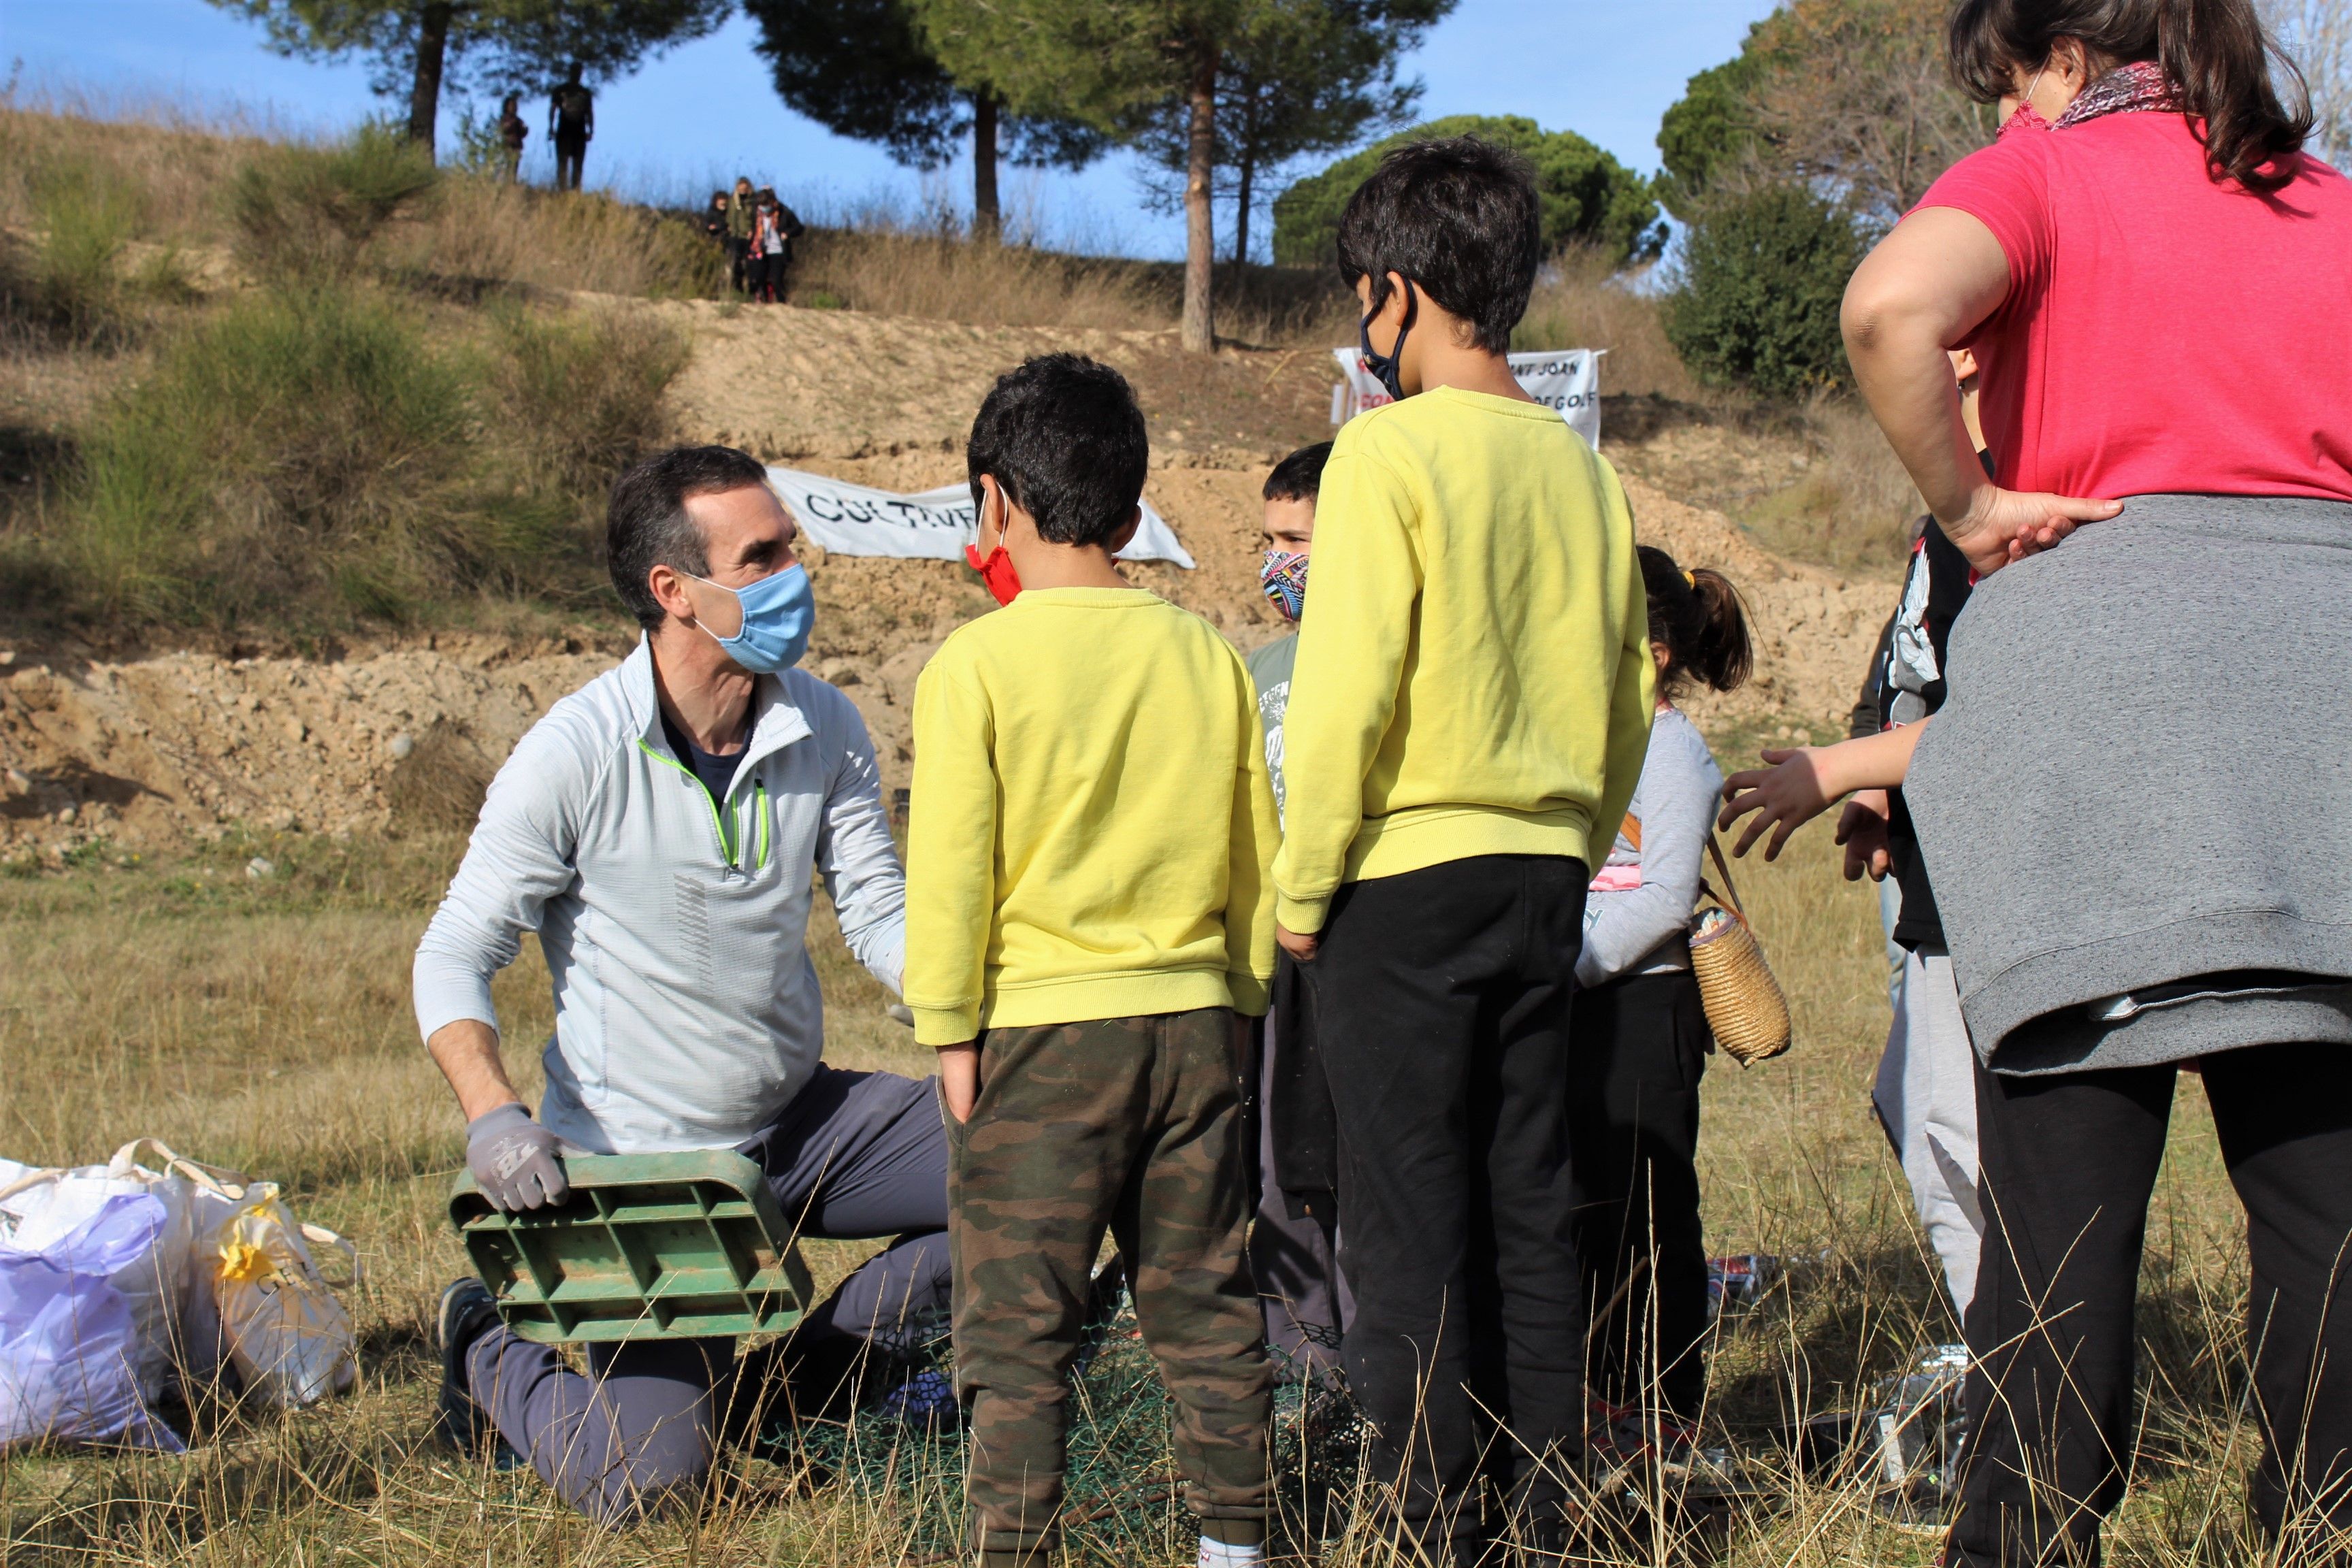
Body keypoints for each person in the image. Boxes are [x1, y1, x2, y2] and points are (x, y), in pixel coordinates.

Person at [1840, 0, 2352, 1560]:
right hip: (2317, 722)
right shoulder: (2322, 200)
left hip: (2090, 711)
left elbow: (1887, 311)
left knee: (2054, 1240)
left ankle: (2027, 1539)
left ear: (2049, 50)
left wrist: (1972, 502)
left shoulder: (2046, 167)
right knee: (2330, 1225)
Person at [418, 445, 954, 1524]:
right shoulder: (574, 753)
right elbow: (453, 955)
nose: (792, 575)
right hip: (643, 1166)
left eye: (789, 548)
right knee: (655, 1493)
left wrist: (966, 1001)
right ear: (674, 591)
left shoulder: (826, 725)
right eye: (760, 558)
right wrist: (495, 1119)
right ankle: (487, 1346)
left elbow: (880, 916)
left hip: (803, 1125)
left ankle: (783, 1381)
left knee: (1031, 1173)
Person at [1271, 136, 1654, 1565]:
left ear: (1399, 290)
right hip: (1543, 874)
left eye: (1364, 299)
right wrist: (1566, 833)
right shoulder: (1580, 471)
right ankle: (1553, 1520)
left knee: (1406, 1216)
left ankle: (1434, 1524)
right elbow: (1626, 696)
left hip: (1400, 887)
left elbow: (1349, 689)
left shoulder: (1385, 450)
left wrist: (1305, 891)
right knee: (1530, 1205)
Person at [905, 354, 1279, 1568]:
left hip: (1041, 1042)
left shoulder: (976, 664)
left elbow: (953, 867)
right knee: (1209, 1304)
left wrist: (950, 1030)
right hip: (1192, 1026)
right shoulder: (1208, 654)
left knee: (1017, 1335)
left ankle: (1014, 1547)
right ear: (1131, 513)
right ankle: (1235, 1543)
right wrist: (1239, 999)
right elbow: (1251, 854)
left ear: (992, 500)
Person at [1721, 350, 1995, 1321]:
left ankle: (2019, 1382)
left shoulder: (2028, 512)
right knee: (1918, 1108)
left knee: (1960, 1135)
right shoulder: (1948, 518)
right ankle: (2005, 1364)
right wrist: (1879, 782)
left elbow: (2013, 713)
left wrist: (1838, 770)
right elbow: (1913, 668)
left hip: (1996, 887)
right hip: (1932, 878)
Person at [1570, 546, 1750, 1482]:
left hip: (1646, 1004)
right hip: (1587, 1002)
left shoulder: (1675, 755)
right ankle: (1602, 1407)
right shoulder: (1589, 742)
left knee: (1651, 1217)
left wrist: (1569, 966)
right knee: (1593, 1216)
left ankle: (1665, 1415)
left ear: (1656, 650)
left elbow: (1664, 899)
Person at [1244, 440, 1352, 1385]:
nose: (1278, 562)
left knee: (1361, 1155)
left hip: (1359, 938)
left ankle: (1375, 1347)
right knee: (1284, 1153)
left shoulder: (1382, 651)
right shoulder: (1257, 669)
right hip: (1277, 947)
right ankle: (1302, 1350)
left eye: (1298, 540)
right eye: (1269, 538)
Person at [549, 63, 593, 192]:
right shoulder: (560, 90)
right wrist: (551, 127)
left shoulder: (585, 93)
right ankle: (562, 190)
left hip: (579, 132)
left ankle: (575, 191)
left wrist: (591, 129)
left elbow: (589, 112)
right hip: (564, 131)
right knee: (563, 163)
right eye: (575, 72)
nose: (577, 75)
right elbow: (553, 109)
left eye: (578, 72)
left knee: (578, 165)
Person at [725, 176, 756, 295]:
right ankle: (736, 288)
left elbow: (755, 218)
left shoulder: (752, 201)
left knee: (748, 264)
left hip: (747, 236)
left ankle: (749, 290)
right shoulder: (731, 200)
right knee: (735, 262)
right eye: (741, 187)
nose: (743, 190)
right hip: (733, 235)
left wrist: (752, 230)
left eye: (745, 187)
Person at [495, 92, 527, 184]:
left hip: (516, 147)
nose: (514, 108)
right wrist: (510, 124)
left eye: (515, 106)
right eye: (512, 105)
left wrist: (525, 130)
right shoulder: (504, 119)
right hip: (507, 147)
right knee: (506, 167)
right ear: (507, 107)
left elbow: (522, 134)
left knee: (514, 169)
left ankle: (512, 184)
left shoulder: (519, 120)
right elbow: (503, 130)